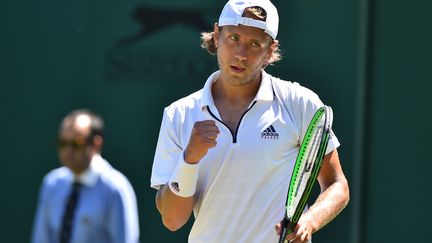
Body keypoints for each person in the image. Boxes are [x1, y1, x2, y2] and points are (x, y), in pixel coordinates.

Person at [150, 0, 350, 242]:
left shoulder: (300, 103)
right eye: (233, 38)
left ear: (270, 50)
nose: (241, 54)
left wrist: (309, 221)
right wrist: (188, 160)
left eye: (254, 44)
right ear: (216, 35)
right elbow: (172, 220)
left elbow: (337, 185)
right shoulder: (178, 114)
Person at [31, 109, 140, 243]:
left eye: (77, 143)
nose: (68, 151)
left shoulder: (115, 188)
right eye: (63, 143)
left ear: (96, 144)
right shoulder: (51, 184)